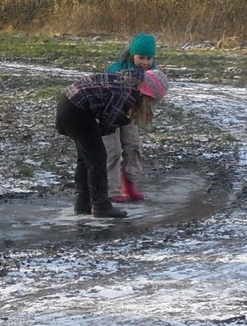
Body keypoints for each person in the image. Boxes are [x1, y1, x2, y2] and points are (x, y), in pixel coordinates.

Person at [56, 67, 168, 219]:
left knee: (86, 158)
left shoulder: (127, 82)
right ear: (149, 94)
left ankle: (83, 203)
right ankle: (101, 205)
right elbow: (109, 121)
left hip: (69, 102)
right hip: (77, 109)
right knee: (97, 159)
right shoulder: (128, 93)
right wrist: (119, 122)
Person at [104, 33, 159, 202]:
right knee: (112, 150)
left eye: (149, 58)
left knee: (133, 146)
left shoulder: (151, 74)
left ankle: (130, 185)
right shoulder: (117, 70)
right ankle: (112, 190)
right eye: (141, 57)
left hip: (129, 114)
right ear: (132, 55)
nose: (145, 62)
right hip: (108, 113)